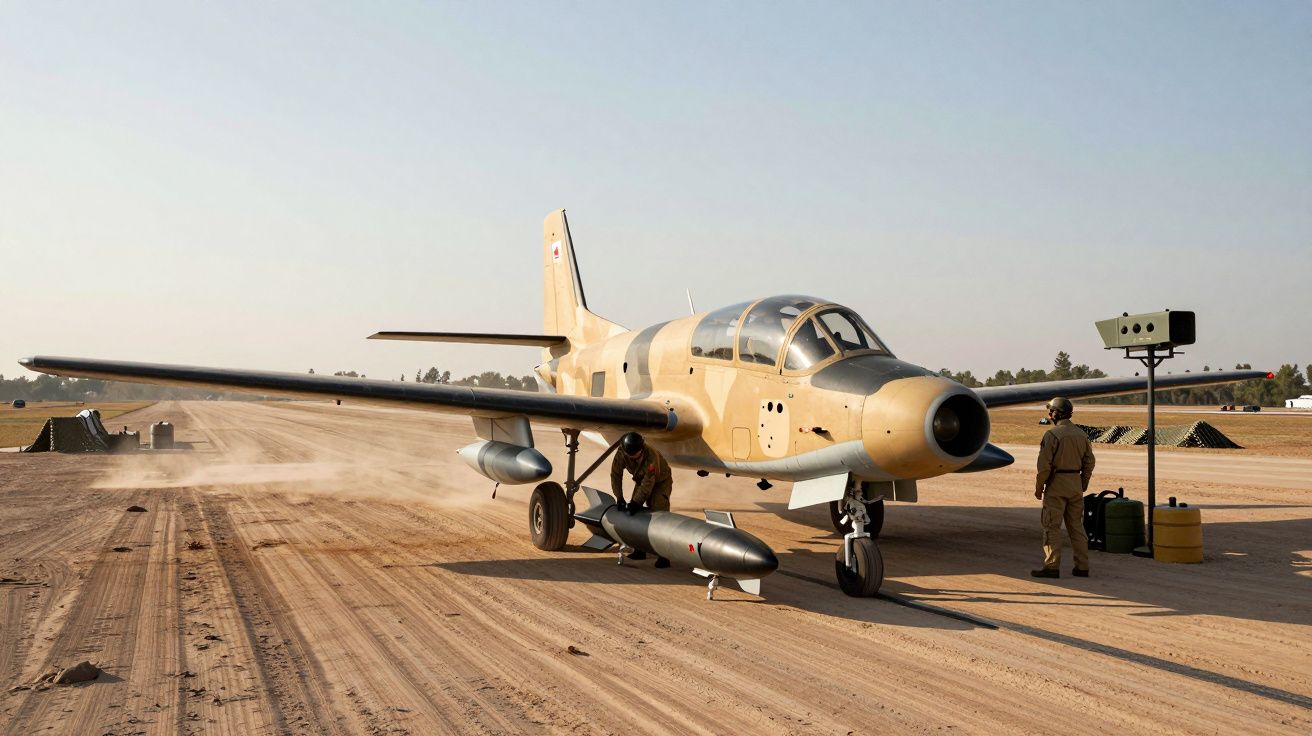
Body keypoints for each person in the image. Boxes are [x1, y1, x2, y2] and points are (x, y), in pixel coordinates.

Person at [1032, 396, 1096, 579]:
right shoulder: (1081, 434)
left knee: (1051, 526)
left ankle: (1052, 566)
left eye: (1050, 411)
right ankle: (1082, 567)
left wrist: (1039, 488)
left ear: (1056, 414)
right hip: (1075, 484)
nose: (1049, 415)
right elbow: (1089, 462)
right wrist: (1083, 483)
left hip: (1056, 485)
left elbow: (1044, 467)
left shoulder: (1052, 435)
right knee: (1076, 526)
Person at [610, 432, 674, 568]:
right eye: (632, 455)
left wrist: (636, 502)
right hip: (642, 480)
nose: (635, 456)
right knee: (635, 514)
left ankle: (664, 556)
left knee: (659, 516)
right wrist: (619, 498)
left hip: (660, 482)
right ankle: (640, 550)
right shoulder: (621, 453)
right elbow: (616, 475)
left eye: (637, 453)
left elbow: (648, 483)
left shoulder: (651, 456)